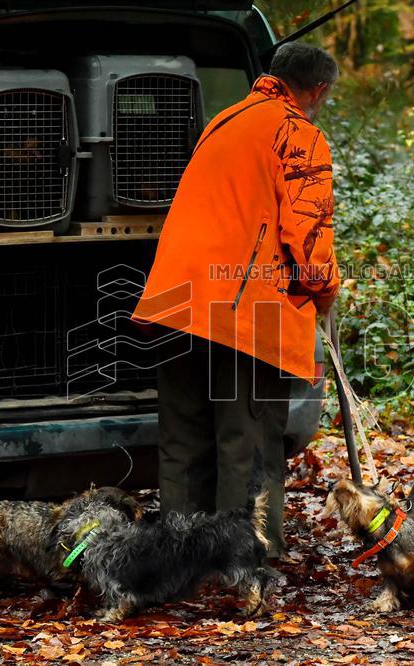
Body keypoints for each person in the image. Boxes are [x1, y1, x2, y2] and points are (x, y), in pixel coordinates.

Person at [132, 42, 341, 558]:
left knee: (183, 443)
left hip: (175, 304)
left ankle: (177, 561)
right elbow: (307, 234)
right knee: (247, 445)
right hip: (241, 311)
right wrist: (326, 290)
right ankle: (245, 562)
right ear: (316, 90)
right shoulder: (298, 134)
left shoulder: (224, 122)